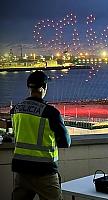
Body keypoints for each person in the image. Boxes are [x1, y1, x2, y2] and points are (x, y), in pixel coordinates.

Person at [11, 70, 71, 200]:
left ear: (29, 88)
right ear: (44, 87)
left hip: (21, 171)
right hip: (45, 172)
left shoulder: (15, 110)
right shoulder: (51, 113)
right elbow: (65, 142)